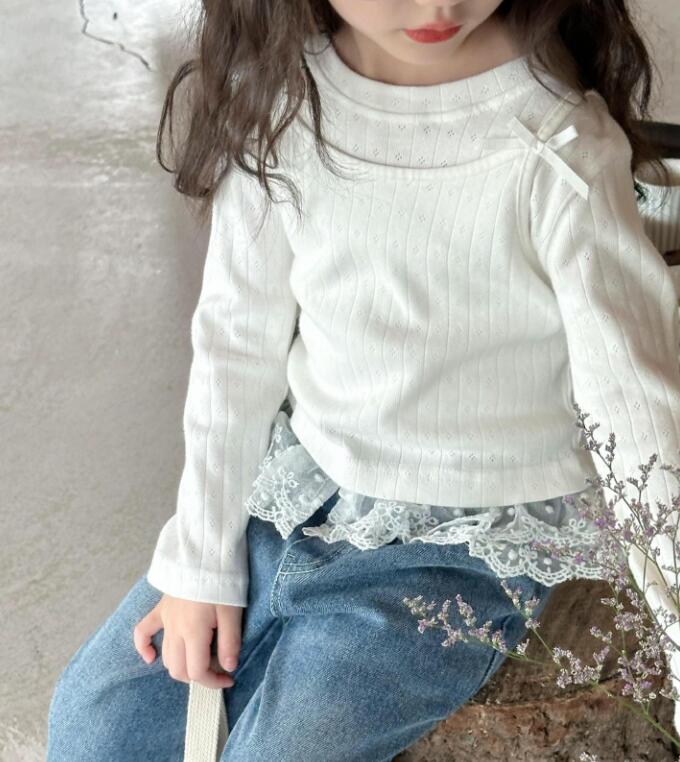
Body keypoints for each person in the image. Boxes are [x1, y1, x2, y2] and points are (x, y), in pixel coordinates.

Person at [47, 0, 680, 759]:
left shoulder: (558, 141)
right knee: (96, 721)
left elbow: (633, 400)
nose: (441, 5)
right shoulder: (283, 104)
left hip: (458, 548)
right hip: (296, 496)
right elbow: (236, 347)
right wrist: (201, 563)